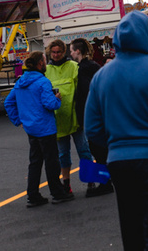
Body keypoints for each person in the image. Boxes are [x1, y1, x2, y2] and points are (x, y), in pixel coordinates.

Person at [85, 11, 148, 249]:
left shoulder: (101, 76)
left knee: (132, 229)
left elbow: (92, 128)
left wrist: (115, 145)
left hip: (119, 161)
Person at [4, 51, 74, 207]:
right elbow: (50, 104)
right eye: (44, 60)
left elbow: (8, 103)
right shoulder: (43, 82)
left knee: (35, 162)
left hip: (31, 128)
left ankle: (33, 195)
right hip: (45, 127)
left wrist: (18, 120)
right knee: (52, 161)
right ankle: (57, 192)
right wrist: (57, 100)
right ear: (40, 64)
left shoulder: (20, 82)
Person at [45, 39, 92, 195]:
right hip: (58, 119)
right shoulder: (46, 70)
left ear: (64, 51)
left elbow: (82, 89)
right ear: (50, 53)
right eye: (54, 52)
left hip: (75, 117)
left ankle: (91, 181)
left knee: (84, 150)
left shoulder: (73, 66)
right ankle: (66, 184)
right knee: (63, 155)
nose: (57, 55)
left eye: (59, 52)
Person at [70, 38, 113, 198]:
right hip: (100, 113)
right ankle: (107, 181)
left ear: (78, 51)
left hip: (91, 115)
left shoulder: (83, 69)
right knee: (102, 149)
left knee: (97, 150)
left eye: (72, 50)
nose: (71, 53)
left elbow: (85, 94)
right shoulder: (94, 66)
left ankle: (105, 183)